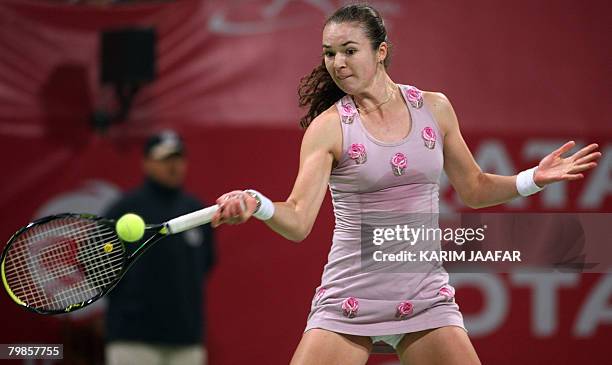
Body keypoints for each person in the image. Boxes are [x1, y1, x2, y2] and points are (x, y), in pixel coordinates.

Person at [211, 4, 601, 365]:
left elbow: (475, 188)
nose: (338, 63)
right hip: (352, 297)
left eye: (350, 50)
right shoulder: (328, 128)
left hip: (425, 298)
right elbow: (296, 220)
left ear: (381, 51)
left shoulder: (435, 108)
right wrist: (257, 203)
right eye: (330, 53)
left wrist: (532, 178)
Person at [104, 130, 215, 365]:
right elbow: (96, 266)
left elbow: (206, 264)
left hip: (186, 342)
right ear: (147, 163)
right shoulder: (124, 209)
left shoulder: (197, 211)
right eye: (165, 159)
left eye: (178, 158)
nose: (173, 166)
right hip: (132, 340)